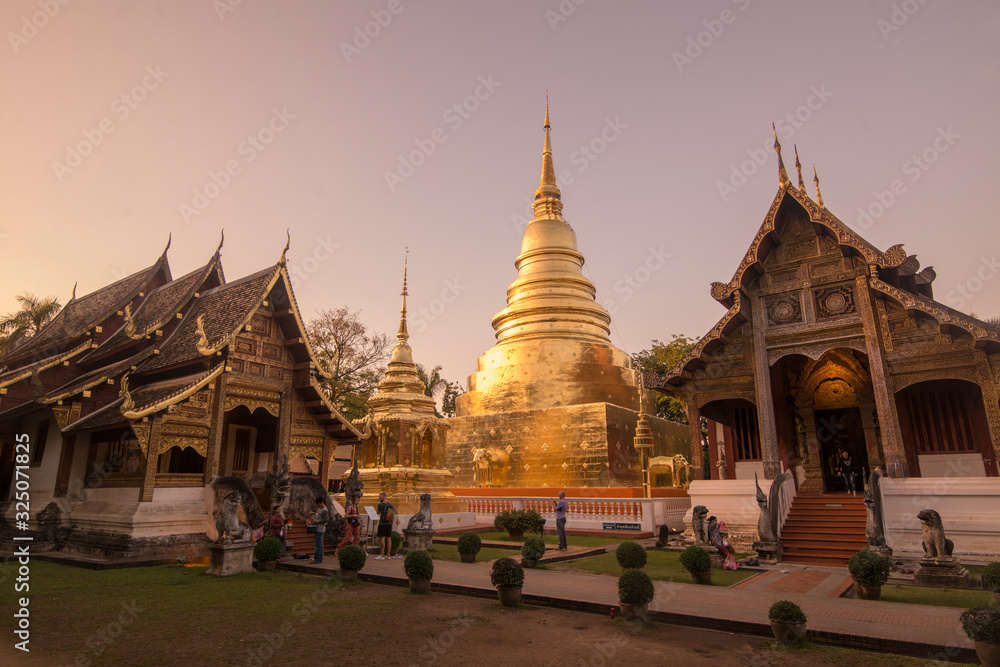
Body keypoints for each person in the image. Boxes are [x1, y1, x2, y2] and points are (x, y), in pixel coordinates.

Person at [375, 492, 396, 560]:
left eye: (380, 497)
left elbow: (378, 512)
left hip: (382, 523)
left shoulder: (380, 504)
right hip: (389, 524)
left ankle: (382, 554)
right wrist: (392, 524)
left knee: (382, 538)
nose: (379, 498)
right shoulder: (391, 505)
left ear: (383, 497)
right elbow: (392, 516)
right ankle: (388, 554)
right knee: (389, 538)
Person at [310, 497, 329, 564]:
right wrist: (314, 514)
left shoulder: (324, 510)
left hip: (320, 529)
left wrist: (317, 521)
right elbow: (319, 515)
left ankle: (318, 558)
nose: (318, 505)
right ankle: (317, 557)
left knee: (319, 544)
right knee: (317, 544)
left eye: (319, 503)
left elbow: (326, 520)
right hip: (318, 528)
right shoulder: (320, 509)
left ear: (322, 502)